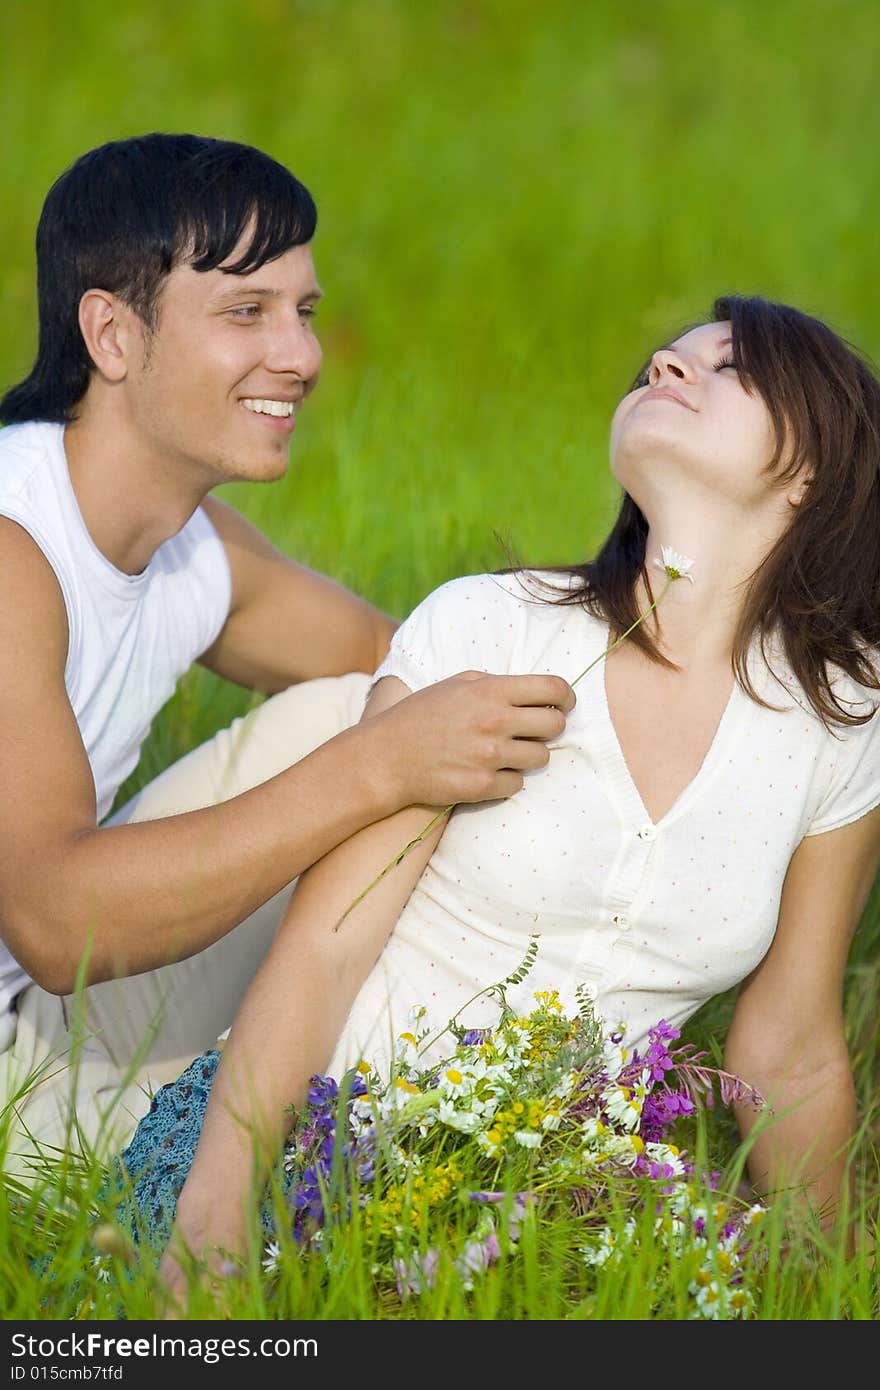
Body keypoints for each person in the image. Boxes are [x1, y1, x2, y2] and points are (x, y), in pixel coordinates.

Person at [126, 292, 880, 1300]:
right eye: (663, 356)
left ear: (809, 472)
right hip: (309, 1145)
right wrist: (213, 1215)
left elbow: (788, 1042)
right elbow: (328, 942)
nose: (665, 363)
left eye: (727, 364)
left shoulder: (842, 713)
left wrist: (831, 1286)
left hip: (547, 1186)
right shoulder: (492, 628)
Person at [0, 133, 575, 1176]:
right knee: (370, 737)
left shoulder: (189, 550)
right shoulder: (9, 547)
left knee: (374, 702)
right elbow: (51, 917)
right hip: (24, 1037)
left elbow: (419, 664)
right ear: (111, 334)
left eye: (302, 312)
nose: (302, 356)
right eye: (245, 312)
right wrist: (375, 767)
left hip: (34, 1026)